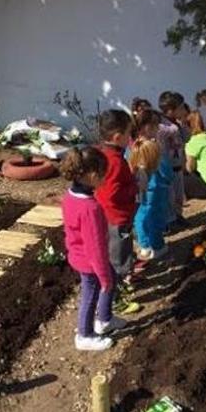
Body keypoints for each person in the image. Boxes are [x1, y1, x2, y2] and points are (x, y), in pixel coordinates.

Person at [60, 146, 126, 351]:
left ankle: (105, 319)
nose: (105, 179)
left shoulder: (70, 196)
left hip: (81, 254)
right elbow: (95, 248)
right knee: (92, 293)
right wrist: (103, 276)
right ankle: (84, 334)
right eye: (102, 175)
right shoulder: (91, 208)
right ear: (91, 175)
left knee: (111, 280)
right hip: (89, 262)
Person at [93, 110, 139, 315]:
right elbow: (112, 194)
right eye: (129, 133)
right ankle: (115, 299)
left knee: (120, 251)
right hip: (117, 217)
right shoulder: (116, 162)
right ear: (117, 137)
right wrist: (133, 187)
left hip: (110, 216)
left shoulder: (102, 155)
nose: (131, 138)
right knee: (117, 257)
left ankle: (122, 281)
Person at [128, 131, 172, 262]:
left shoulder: (136, 168)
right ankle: (158, 247)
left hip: (140, 199)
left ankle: (144, 246)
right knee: (156, 222)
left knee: (140, 220)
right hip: (157, 196)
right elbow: (168, 176)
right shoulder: (157, 165)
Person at [157, 92, 189, 229]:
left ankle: (178, 215)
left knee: (179, 194)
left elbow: (186, 139)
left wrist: (184, 125)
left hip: (177, 165)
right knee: (169, 196)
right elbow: (161, 149)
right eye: (181, 107)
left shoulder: (177, 124)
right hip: (167, 167)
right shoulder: (162, 127)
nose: (183, 110)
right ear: (171, 110)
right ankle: (170, 220)